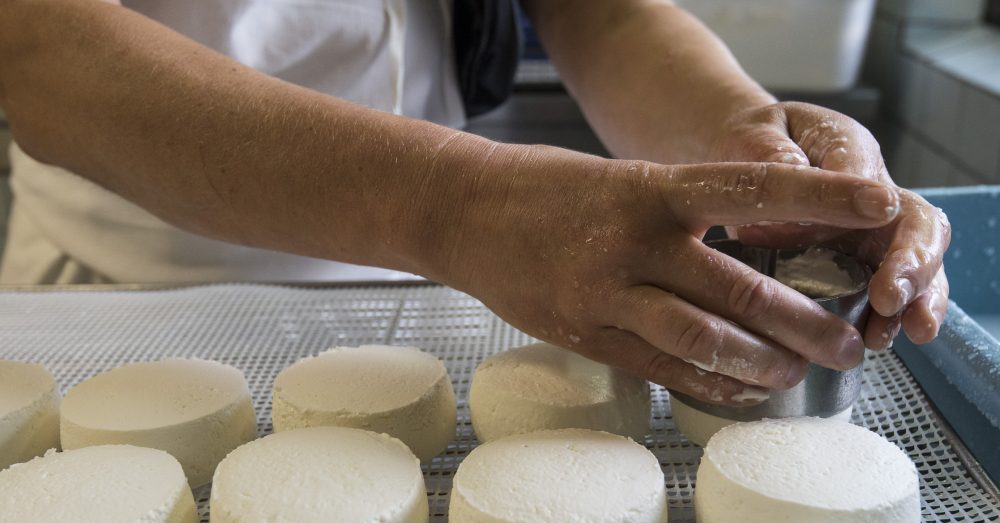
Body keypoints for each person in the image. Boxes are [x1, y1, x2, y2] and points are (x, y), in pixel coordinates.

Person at [0, 0, 949, 408]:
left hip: (450, 283)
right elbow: (39, 46)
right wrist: (456, 204)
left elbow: (598, 10)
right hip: (130, 287)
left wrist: (741, 135)